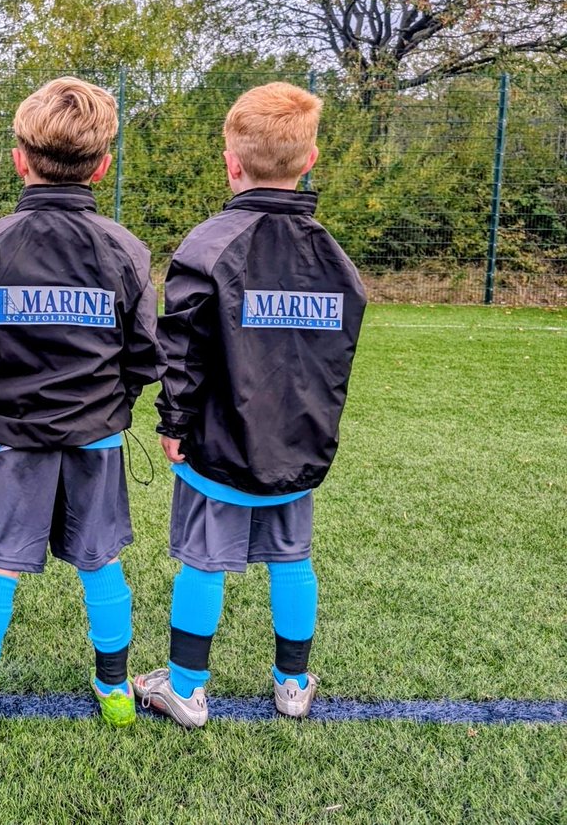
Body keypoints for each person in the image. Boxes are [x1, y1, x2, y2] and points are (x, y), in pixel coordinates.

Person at [132, 82, 367, 728]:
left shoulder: (207, 243)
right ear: (310, 159)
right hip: (299, 443)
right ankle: (293, 684)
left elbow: (181, 350)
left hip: (217, 443)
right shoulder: (334, 257)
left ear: (231, 163)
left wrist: (174, 423)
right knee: (293, 557)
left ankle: (186, 688)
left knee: (204, 560)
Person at [0, 77, 165, 732]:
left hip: (12, 439)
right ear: (103, 166)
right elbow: (145, 354)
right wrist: (110, 404)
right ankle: (115, 689)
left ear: (19, 160)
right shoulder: (125, 248)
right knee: (101, 560)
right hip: (96, 437)